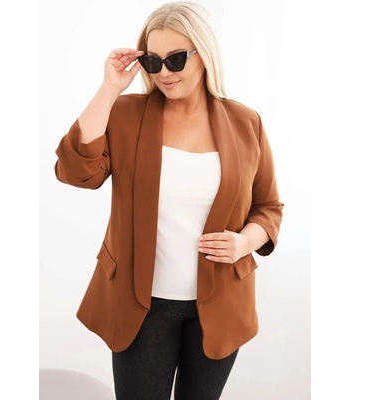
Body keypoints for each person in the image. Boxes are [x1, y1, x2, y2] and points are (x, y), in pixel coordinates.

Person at [54, 1, 284, 399]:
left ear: (204, 54)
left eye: (176, 59)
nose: (164, 72)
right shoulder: (124, 114)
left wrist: (244, 242)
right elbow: (76, 171)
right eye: (153, 62)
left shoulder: (246, 122)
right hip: (141, 306)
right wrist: (109, 89)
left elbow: (269, 207)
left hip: (221, 304)